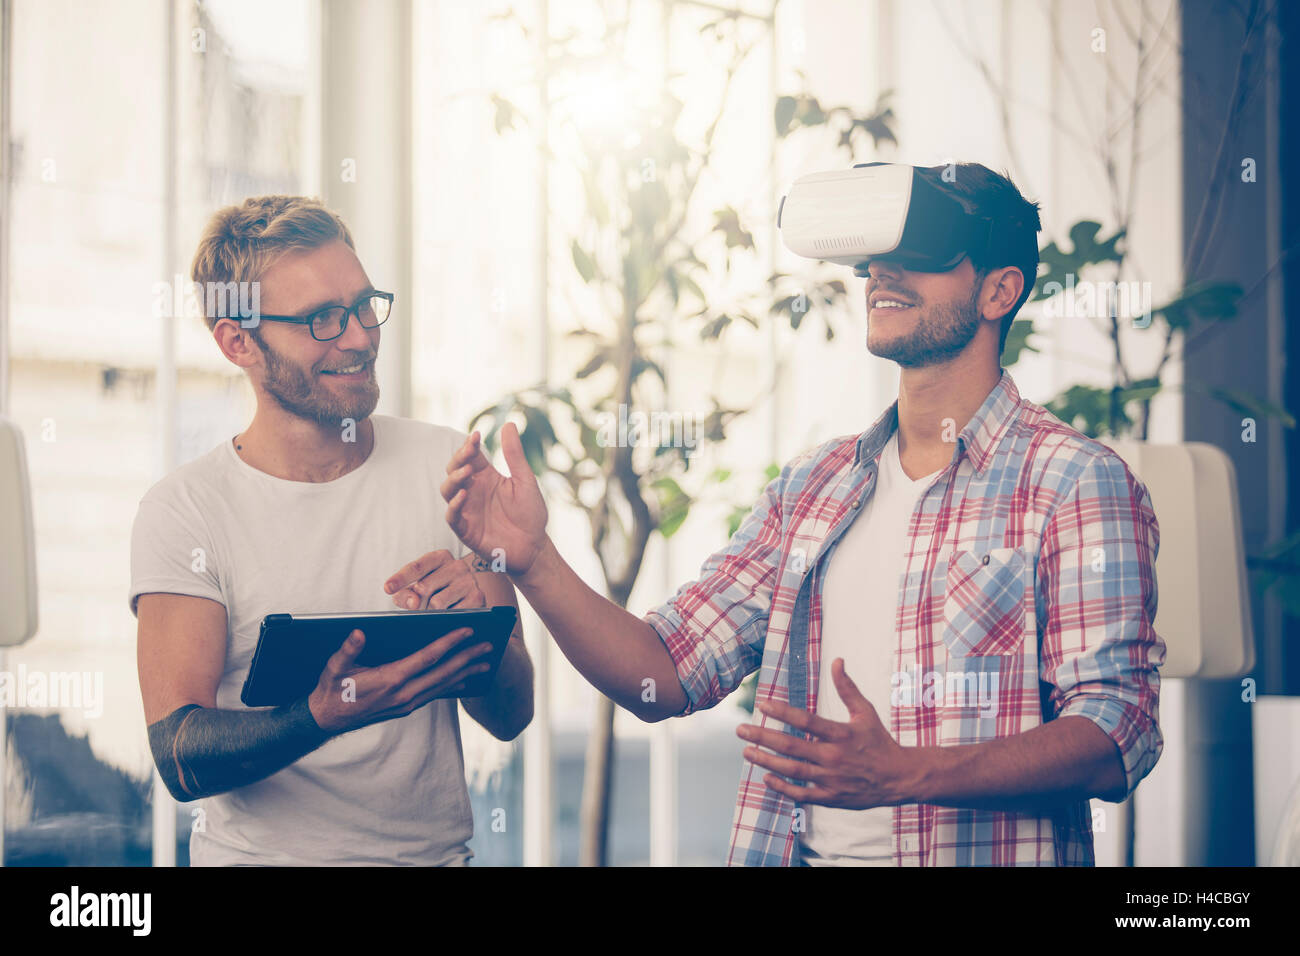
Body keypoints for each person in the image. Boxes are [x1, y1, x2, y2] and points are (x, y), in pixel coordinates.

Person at [438, 163, 1164, 866]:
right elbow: (664, 674)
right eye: (878, 257)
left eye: (920, 254)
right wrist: (533, 561)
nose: (883, 273)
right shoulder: (813, 488)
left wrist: (908, 772)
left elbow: (1116, 731)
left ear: (999, 290)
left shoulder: (1076, 484)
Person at [131, 196, 533, 866]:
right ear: (238, 342)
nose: (359, 337)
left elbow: (511, 714)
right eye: (322, 318)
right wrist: (318, 716)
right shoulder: (185, 511)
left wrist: (479, 625)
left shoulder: (448, 468)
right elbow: (180, 756)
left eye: (363, 304)